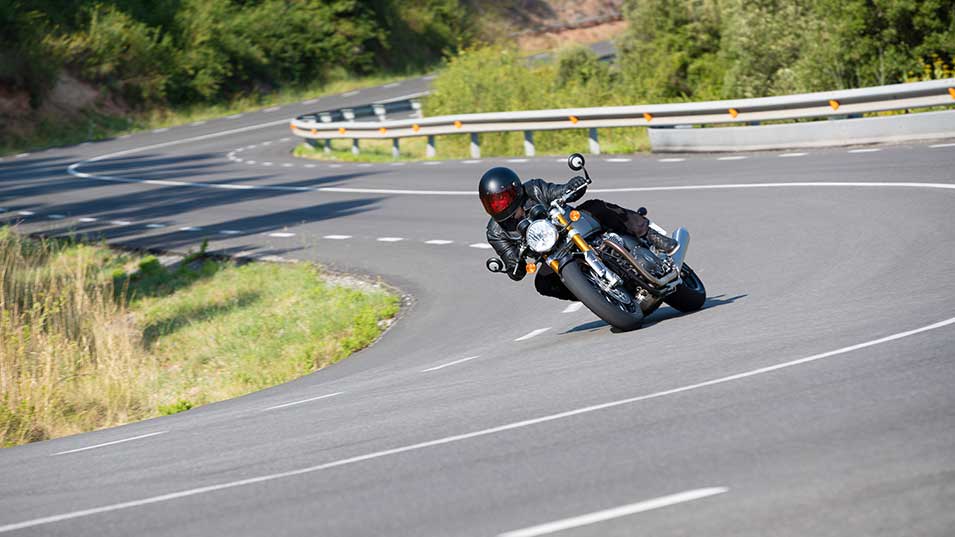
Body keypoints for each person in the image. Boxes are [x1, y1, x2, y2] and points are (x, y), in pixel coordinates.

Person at [479, 166, 677, 301]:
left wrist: (572, 186)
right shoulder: (495, 232)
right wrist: (516, 266)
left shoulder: (534, 189)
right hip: (554, 256)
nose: (499, 206)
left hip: (573, 228)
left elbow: (558, 191)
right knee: (543, 283)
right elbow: (512, 261)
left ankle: (649, 234)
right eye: (493, 203)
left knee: (596, 207)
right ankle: (597, 295)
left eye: (502, 199)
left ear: (515, 190)